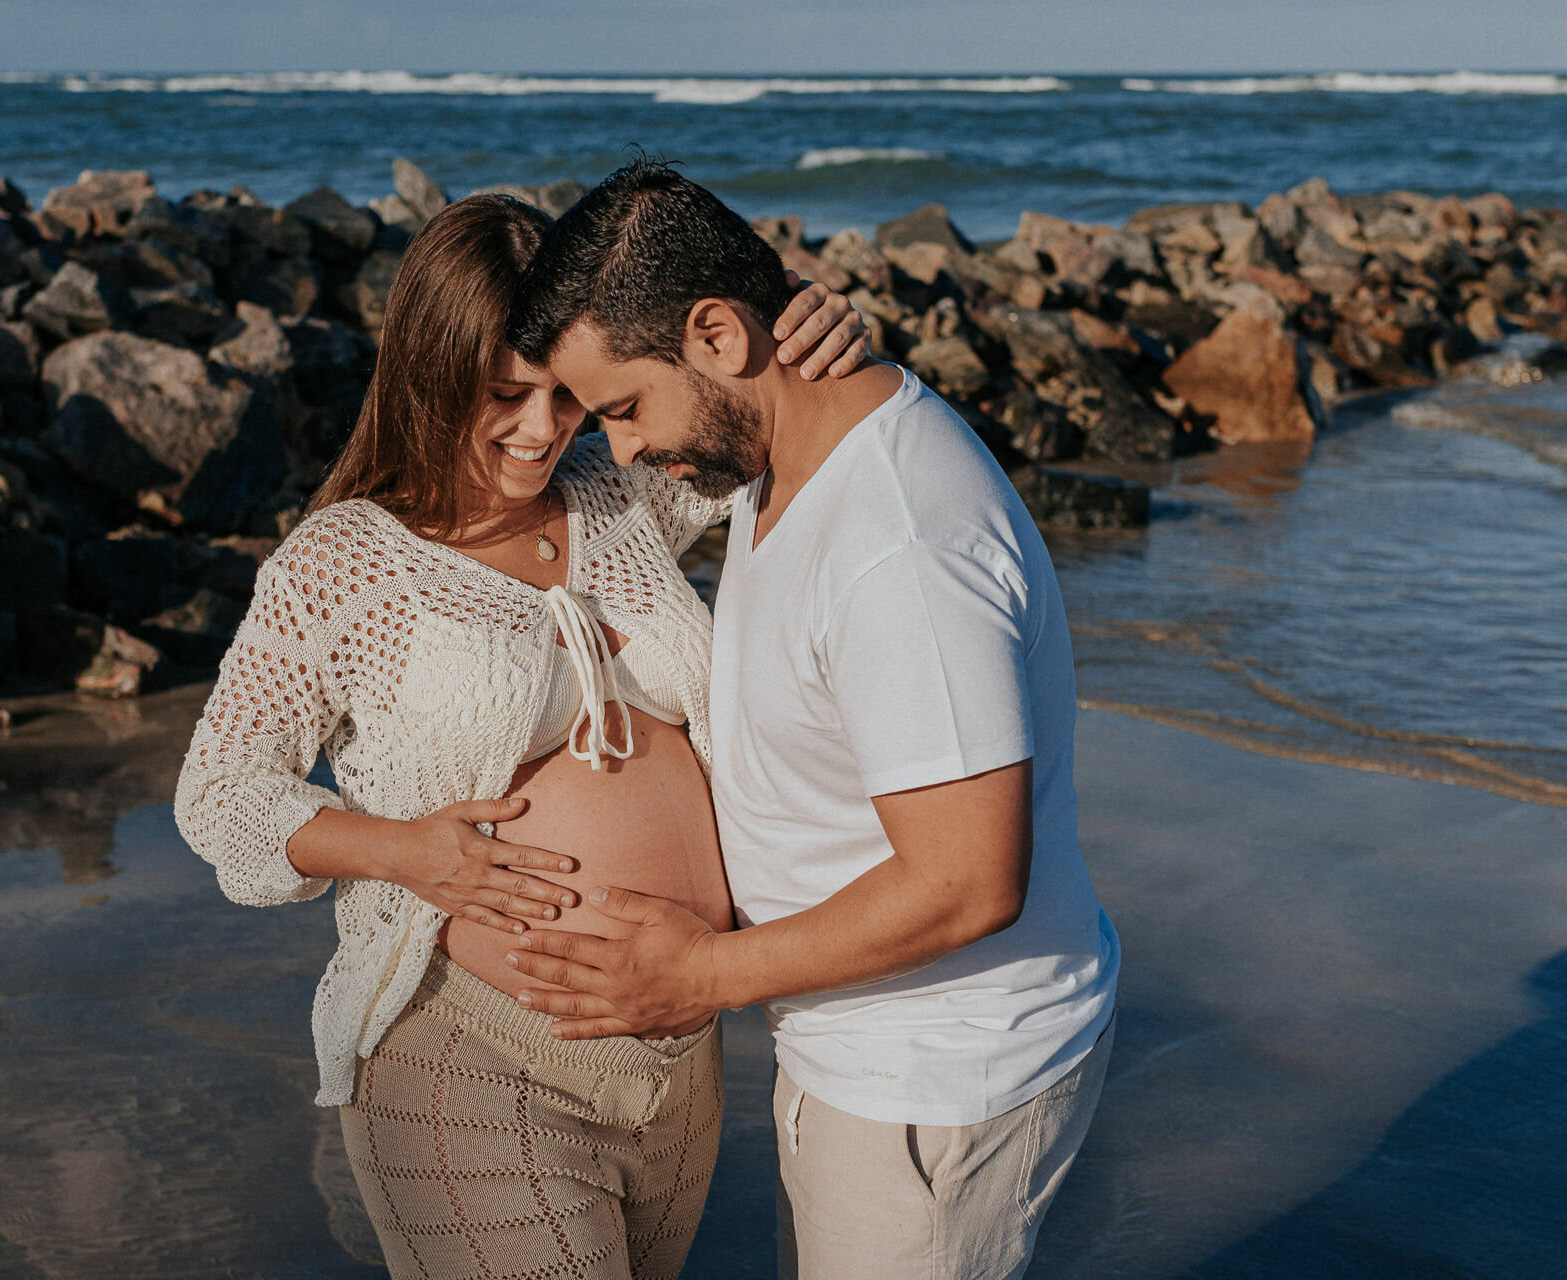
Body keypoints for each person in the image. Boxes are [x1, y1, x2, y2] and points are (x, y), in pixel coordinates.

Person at [173, 191, 869, 1280]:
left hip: (682, 1061)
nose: (541, 431)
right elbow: (220, 791)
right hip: (471, 1050)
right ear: (431, 373)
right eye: (503, 395)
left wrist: (811, 341)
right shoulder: (349, 560)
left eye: (564, 398)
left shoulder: (621, 493)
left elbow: (750, 423)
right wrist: (398, 850)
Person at [503, 159, 1120, 1280]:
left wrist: (698, 974)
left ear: (719, 336)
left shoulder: (897, 549)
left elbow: (970, 879)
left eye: (625, 408)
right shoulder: (780, 449)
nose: (624, 449)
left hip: (933, 1080)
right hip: (865, 1054)